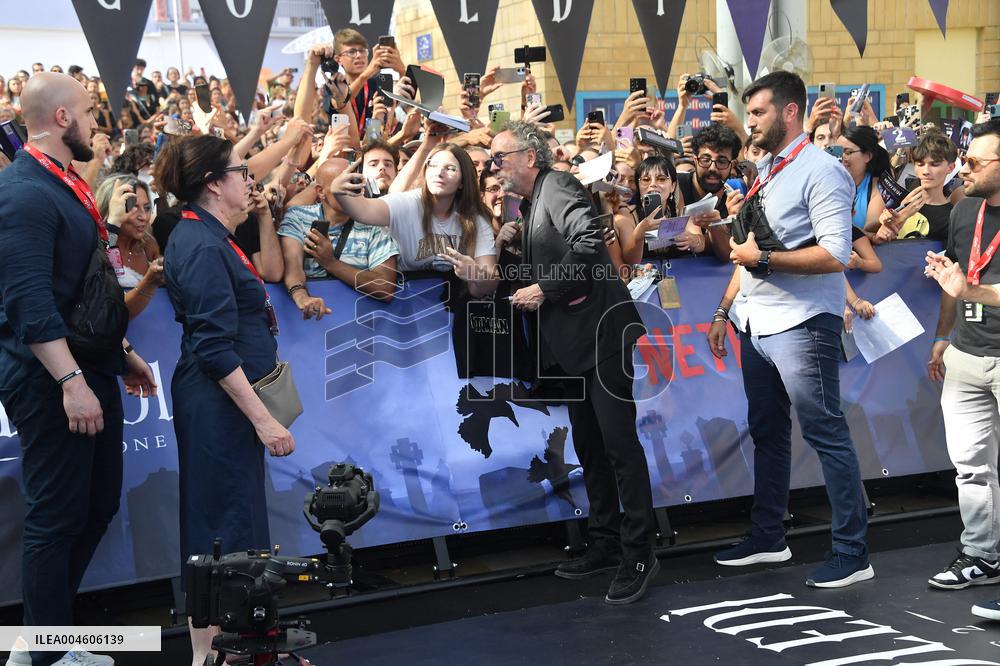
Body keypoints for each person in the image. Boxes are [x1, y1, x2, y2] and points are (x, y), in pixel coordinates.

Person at [0, 72, 156, 666]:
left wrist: (120, 357)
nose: (98, 124)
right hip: (50, 379)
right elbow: (30, 301)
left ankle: (48, 642)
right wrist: (70, 381)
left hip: (90, 368)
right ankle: (45, 653)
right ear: (62, 119)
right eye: (90, 113)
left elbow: (83, 292)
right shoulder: (23, 192)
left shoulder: (63, 184)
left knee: (96, 506)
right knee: (58, 514)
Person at [707, 71, 872, 588]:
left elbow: (835, 254)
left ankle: (852, 551)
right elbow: (747, 252)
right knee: (768, 433)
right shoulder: (768, 170)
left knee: (825, 432)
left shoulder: (822, 171)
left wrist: (767, 259)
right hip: (755, 322)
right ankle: (768, 537)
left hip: (803, 324)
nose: (749, 122)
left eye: (757, 113)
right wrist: (722, 311)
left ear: (790, 112)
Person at [490, 120, 658, 605]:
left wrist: (545, 288)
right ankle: (604, 542)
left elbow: (588, 247)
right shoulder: (529, 203)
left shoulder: (558, 184)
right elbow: (550, 261)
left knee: (619, 446)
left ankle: (640, 551)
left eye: (501, 157)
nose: (494, 166)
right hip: (573, 343)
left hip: (601, 333)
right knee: (589, 444)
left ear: (530, 157)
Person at [158, 134, 296, 666]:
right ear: (215, 184)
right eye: (242, 169)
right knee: (220, 526)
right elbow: (214, 348)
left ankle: (241, 650)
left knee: (237, 524)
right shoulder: (198, 244)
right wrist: (264, 421)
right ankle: (212, 655)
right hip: (219, 406)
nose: (250, 178)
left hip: (229, 407)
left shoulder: (215, 236)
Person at [923, 119, 1000, 618]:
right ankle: (982, 555)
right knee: (971, 466)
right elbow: (956, 274)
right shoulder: (965, 207)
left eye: (974, 162)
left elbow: (969, 285)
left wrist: (968, 291)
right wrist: (943, 337)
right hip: (967, 353)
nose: (962, 168)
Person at [330, 141, 498, 295]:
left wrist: (476, 274)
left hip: (447, 309)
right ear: (425, 172)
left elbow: (485, 287)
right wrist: (338, 190)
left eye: (450, 168)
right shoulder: (407, 203)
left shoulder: (476, 220)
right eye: (433, 166)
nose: (439, 173)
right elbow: (364, 211)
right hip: (400, 301)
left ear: (463, 180)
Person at [279, 158, 399, 306]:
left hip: (361, 319)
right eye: (342, 183)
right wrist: (302, 297)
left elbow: (384, 287)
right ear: (320, 192)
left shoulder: (374, 222)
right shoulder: (298, 217)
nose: (351, 188)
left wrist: (331, 263)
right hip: (306, 320)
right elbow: (293, 267)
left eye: (354, 181)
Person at [94, 174, 164, 319]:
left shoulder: (149, 245)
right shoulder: (96, 248)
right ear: (111, 208)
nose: (143, 217)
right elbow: (108, 311)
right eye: (133, 208)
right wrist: (149, 282)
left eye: (147, 208)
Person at [873, 129, 956, 243]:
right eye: (920, 164)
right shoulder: (900, 203)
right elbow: (878, 241)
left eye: (934, 164)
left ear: (950, 168)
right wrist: (884, 231)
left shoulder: (953, 216)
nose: (926, 171)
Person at [836, 125, 890, 230]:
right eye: (837, 152)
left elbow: (871, 230)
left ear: (868, 156)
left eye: (848, 152)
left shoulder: (878, 187)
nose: (841, 158)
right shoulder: (828, 183)